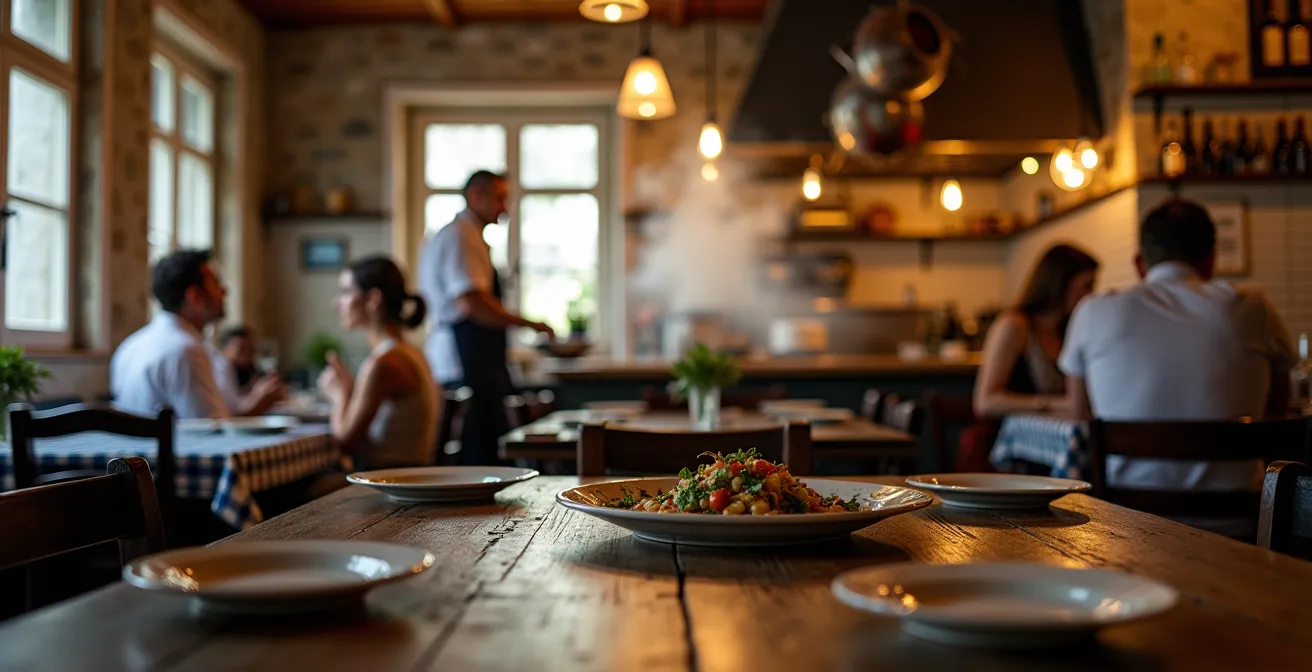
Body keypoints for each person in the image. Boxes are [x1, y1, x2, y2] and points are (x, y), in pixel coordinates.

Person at [1060, 198, 1295, 496]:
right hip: (1240, 526)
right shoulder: (1254, 308)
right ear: (1211, 259)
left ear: (1139, 264)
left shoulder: (1092, 310)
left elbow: (1080, 417)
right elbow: (1278, 419)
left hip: (1125, 523)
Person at [417, 170, 554, 465]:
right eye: (501, 198)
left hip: (471, 357)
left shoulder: (465, 235)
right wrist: (531, 325)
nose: (505, 208)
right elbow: (473, 305)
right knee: (478, 452)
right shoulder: (460, 236)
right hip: (464, 359)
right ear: (476, 196)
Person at [959, 244, 1099, 471]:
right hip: (1009, 452)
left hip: (1053, 446)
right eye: (1086, 285)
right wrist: (1057, 404)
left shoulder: (1070, 331)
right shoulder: (1015, 326)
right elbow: (985, 402)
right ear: (1060, 284)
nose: (1092, 295)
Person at [110, 250, 284, 419]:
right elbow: (214, 431)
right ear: (194, 297)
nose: (224, 291)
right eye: (216, 284)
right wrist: (257, 404)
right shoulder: (185, 350)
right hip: (171, 449)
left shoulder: (129, 346)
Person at [319, 256, 439, 470]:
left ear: (373, 299)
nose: (336, 303)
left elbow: (345, 442)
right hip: (404, 477)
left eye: (346, 292)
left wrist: (339, 396)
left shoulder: (385, 363)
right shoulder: (409, 352)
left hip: (390, 483)